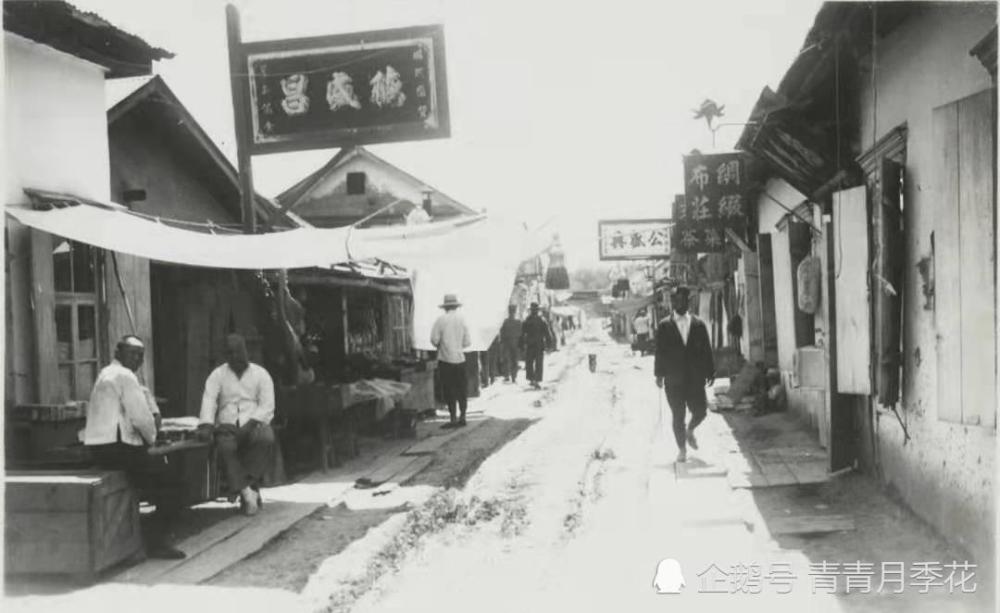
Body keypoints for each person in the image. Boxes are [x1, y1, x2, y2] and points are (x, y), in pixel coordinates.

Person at [85, 335, 186, 559]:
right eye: (133, 354)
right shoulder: (125, 375)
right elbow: (142, 418)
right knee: (173, 484)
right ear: (118, 353)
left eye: (141, 355)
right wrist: (152, 438)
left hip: (100, 448)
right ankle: (156, 542)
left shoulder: (105, 373)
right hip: (118, 448)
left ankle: (139, 537)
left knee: (153, 479)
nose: (138, 359)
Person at [197, 334, 276, 516]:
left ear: (246, 351)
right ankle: (248, 491)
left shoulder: (261, 374)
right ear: (226, 355)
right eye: (230, 353)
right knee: (226, 448)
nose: (236, 357)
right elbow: (209, 400)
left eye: (239, 351)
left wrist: (249, 426)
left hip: (254, 423)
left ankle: (242, 487)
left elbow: (267, 405)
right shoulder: (218, 375)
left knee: (266, 439)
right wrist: (206, 424)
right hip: (228, 426)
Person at [654, 286, 715, 463]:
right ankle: (682, 449)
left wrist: (710, 371)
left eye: (679, 299)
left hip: (695, 378)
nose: (675, 303)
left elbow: (706, 350)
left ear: (687, 301)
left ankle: (690, 430)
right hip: (674, 380)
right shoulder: (665, 325)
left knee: (701, 411)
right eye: (673, 300)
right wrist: (659, 374)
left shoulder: (698, 324)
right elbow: (660, 351)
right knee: (677, 415)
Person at [431, 293, 472, 428]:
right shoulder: (463, 320)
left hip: (445, 360)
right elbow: (467, 342)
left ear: (445, 307)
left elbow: (434, 340)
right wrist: (457, 346)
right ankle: (463, 416)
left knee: (449, 389)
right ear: (456, 306)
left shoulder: (440, 320)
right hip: (460, 359)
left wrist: (442, 345)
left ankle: (453, 418)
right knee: (462, 389)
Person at [521, 302, 553, 389]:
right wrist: (549, 343)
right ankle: (536, 380)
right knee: (537, 363)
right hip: (538, 345)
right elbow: (547, 333)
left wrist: (521, 344)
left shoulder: (527, 320)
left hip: (531, 344)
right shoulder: (541, 320)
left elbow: (522, 333)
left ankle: (532, 379)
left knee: (530, 363)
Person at [499, 304, 522, 383]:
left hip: (508, 343)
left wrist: (502, 341)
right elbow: (521, 333)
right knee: (513, 360)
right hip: (514, 343)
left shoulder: (506, 321)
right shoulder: (518, 321)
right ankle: (513, 376)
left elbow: (502, 332)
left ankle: (507, 375)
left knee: (507, 359)